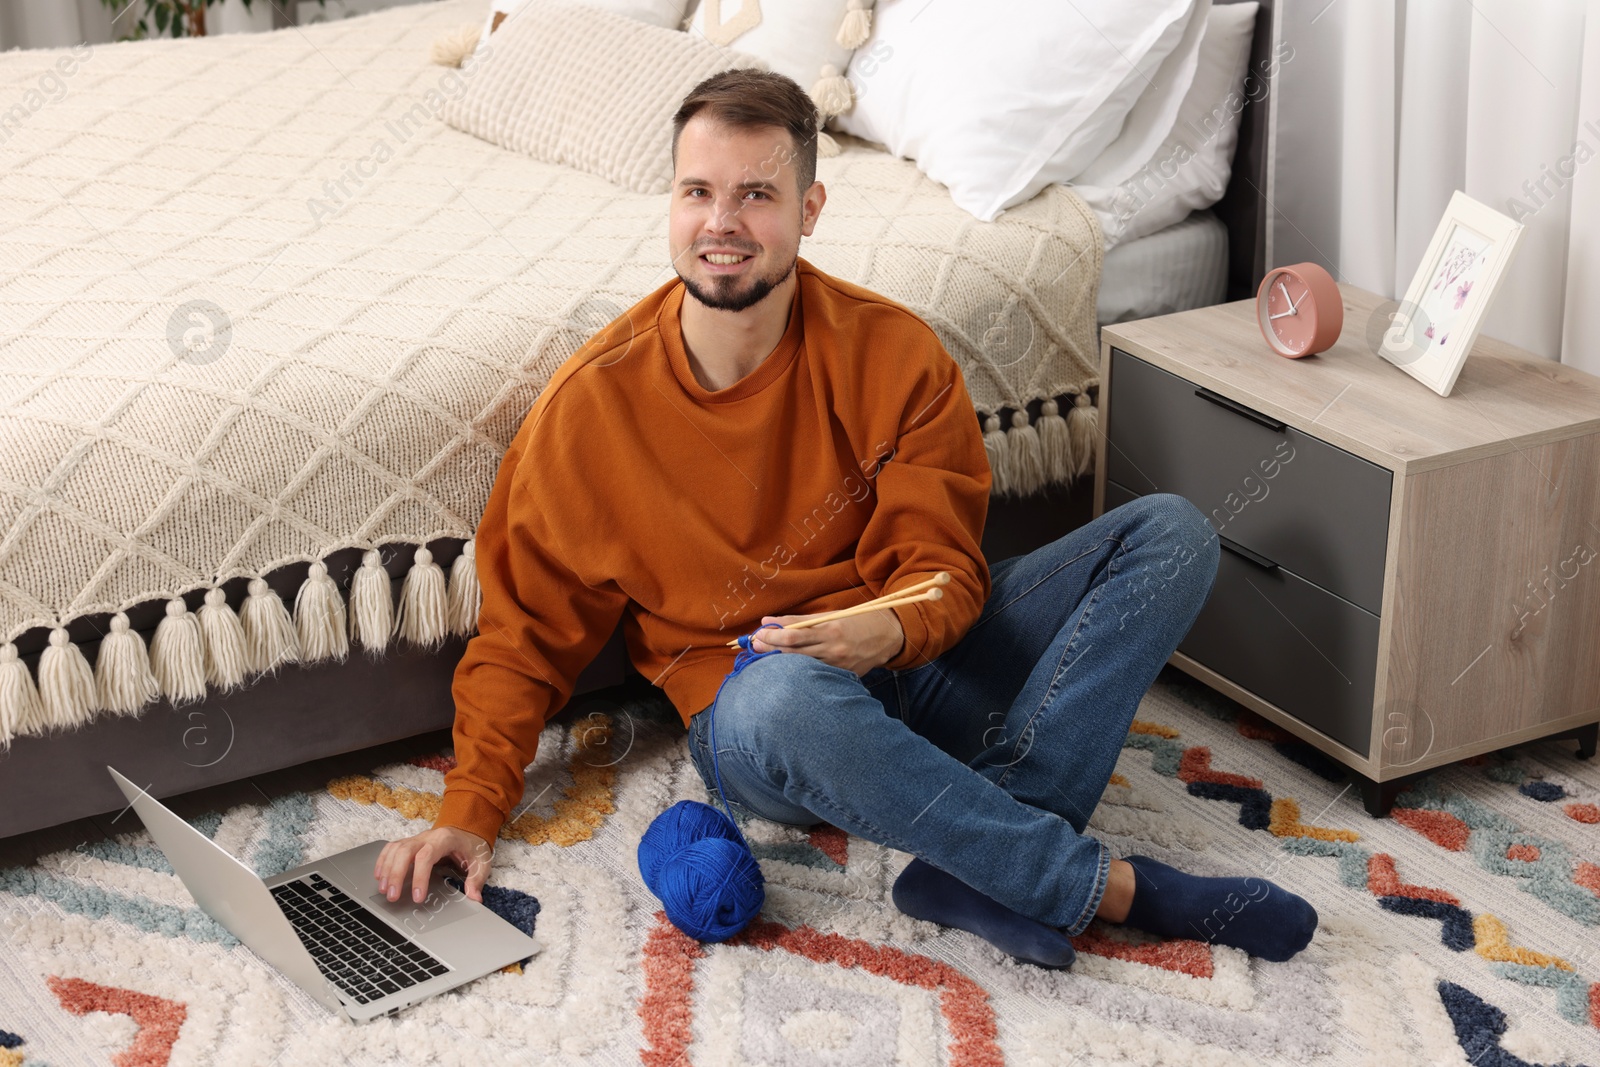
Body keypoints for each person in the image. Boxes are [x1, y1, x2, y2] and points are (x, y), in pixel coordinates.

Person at [373, 69, 1318, 967]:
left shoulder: (894, 352)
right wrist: (469, 806)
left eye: (756, 195)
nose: (721, 223)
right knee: (785, 688)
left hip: (915, 662)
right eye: (697, 192)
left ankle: (976, 866)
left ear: (809, 211)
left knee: (1171, 534)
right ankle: (1102, 887)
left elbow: (947, 571)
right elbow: (524, 637)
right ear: (669, 202)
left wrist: (889, 625)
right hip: (764, 714)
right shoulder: (591, 406)